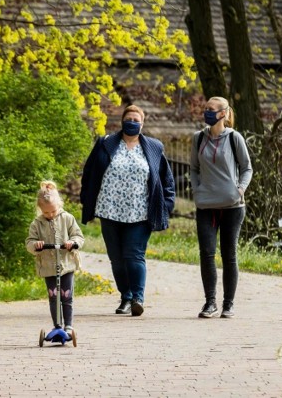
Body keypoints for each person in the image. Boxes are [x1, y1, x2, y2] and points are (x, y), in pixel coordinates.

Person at [80, 105, 175, 317]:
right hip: (109, 210)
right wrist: (86, 199)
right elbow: (89, 173)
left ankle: (138, 299)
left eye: (136, 119)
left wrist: (166, 205)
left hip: (140, 212)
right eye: (128, 118)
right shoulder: (106, 143)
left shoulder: (153, 147)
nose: (132, 122)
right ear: (122, 120)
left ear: (142, 123)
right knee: (116, 258)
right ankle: (126, 296)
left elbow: (166, 179)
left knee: (134, 255)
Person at [190, 96, 253, 319]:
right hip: (206, 205)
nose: (207, 112)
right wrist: (197, 190)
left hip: (232, 206)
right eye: (205, 108)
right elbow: (194, 169)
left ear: (224, 113)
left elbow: (247, 168)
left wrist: (240, 189)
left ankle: (228, 304)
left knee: (229, 255)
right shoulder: (198, 138)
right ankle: (210, 303)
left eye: (212, 109)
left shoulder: (235, 138)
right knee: (207, 254)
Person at [25, 181, 84, 334]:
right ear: (40, 210)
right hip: (48, 266)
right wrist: (36, 245)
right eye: (46, 213)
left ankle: (68, 326)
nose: (50, 215)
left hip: (66, 264)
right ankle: (57, 325)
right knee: (53, 296)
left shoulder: (68, 218)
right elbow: (29, 242)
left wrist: (73, 242)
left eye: (53, 211)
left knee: (67, 295)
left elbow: (78, 236)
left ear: (59, 204)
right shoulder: (36, 223)